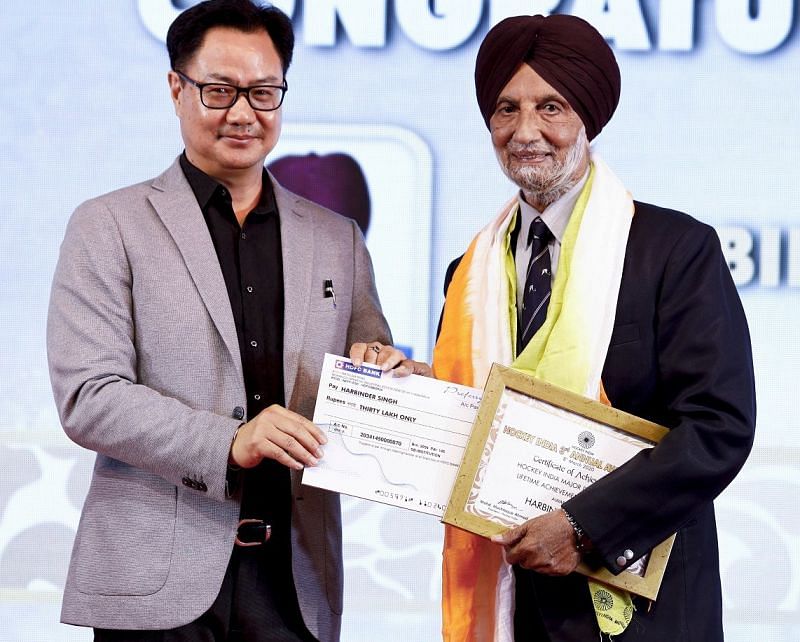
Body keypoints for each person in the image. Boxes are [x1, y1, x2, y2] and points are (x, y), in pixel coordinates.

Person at [47, 1, 420, 640]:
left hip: (296, 583)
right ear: (177, 89)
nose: (243, 113)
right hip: (157, 585)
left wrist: (391, 378)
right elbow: (90, 397)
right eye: (219, 91)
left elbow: (371, 355)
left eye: (263, 92)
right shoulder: (109, 225)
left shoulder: (336, 237)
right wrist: (228, 441)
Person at [433, 14, 756, 642]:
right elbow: (474, 417)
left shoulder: (674, 250)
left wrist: (583, 526)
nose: (525, 132)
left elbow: (719, 427)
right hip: (509, 604)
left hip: (641, 610)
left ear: (588, 115)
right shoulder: (466, 271)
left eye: (550, 106)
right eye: (506, 109)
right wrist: (408, 392)